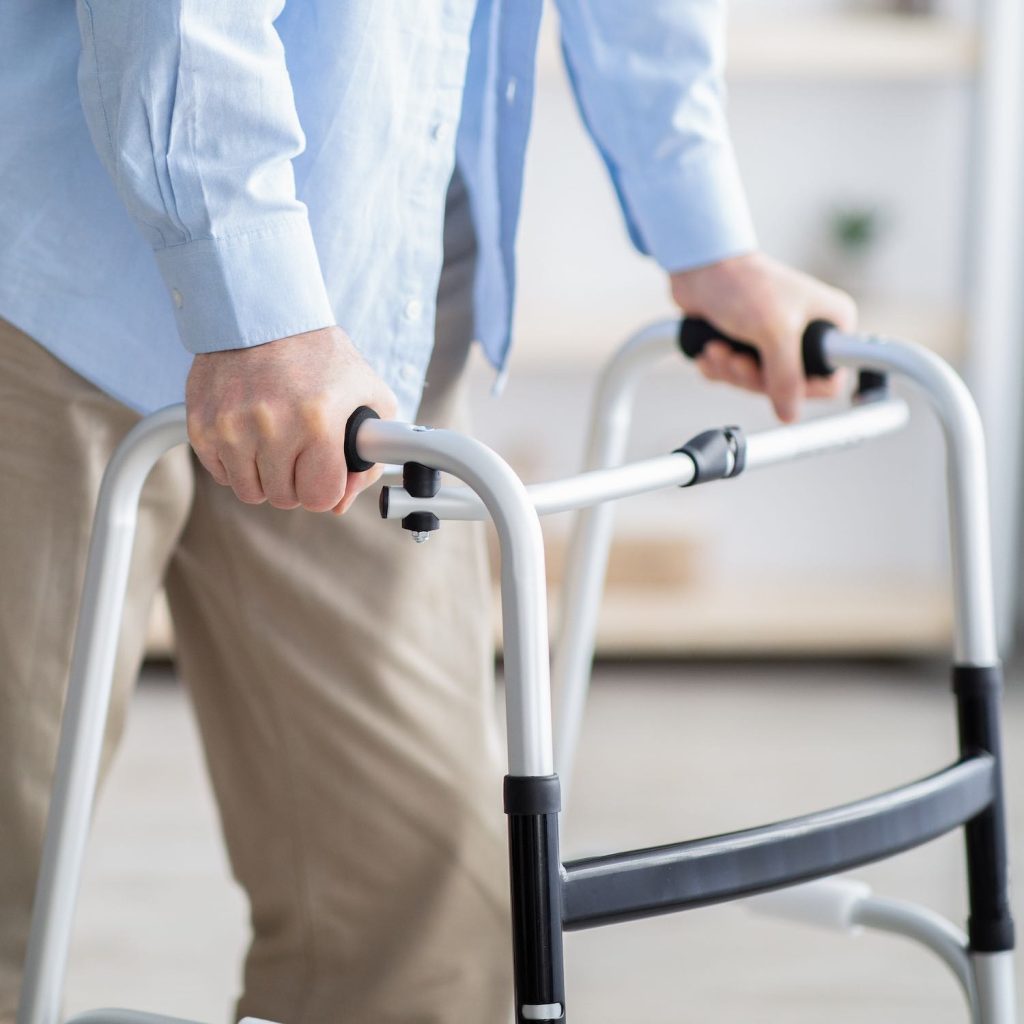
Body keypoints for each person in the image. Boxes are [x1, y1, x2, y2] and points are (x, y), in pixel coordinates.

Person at [0, 2, 856, 1022]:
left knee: (427, 920)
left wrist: (702, 228)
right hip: (52, 262)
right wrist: (252, 300)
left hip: (366, 305)